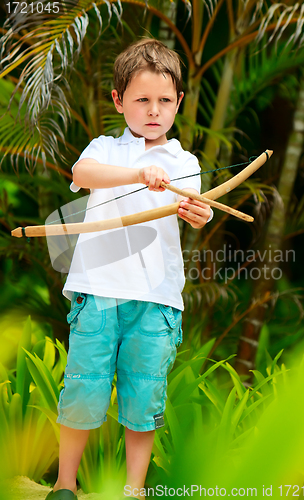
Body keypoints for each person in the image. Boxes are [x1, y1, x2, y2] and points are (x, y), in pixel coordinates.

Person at [45, 38, 211, 500]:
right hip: (97, 290)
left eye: (164, 100)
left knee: (144, 395)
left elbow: (195, 205)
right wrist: (137, 174)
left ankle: (133, 490)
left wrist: (201, 212)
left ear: (179, 102)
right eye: (142, 100)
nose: (153, 110)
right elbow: (83, 173)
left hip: (156, 299)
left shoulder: (183, 161)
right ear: (119, 101)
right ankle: (65, 484)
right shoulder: (105, 149)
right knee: (84, 386)